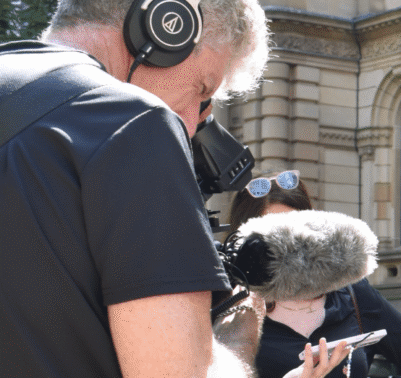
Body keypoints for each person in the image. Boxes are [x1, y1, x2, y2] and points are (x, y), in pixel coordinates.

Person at [0, 0, 347, 376]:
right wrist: (237, 337)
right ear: (167, 27)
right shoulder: (134, 122)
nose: (192, 124)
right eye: (202, 89)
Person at [228, 170, 401, 378]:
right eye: (272, 233)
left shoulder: (352, 294)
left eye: (292, 229)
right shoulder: (230, 307)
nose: (286, 246)